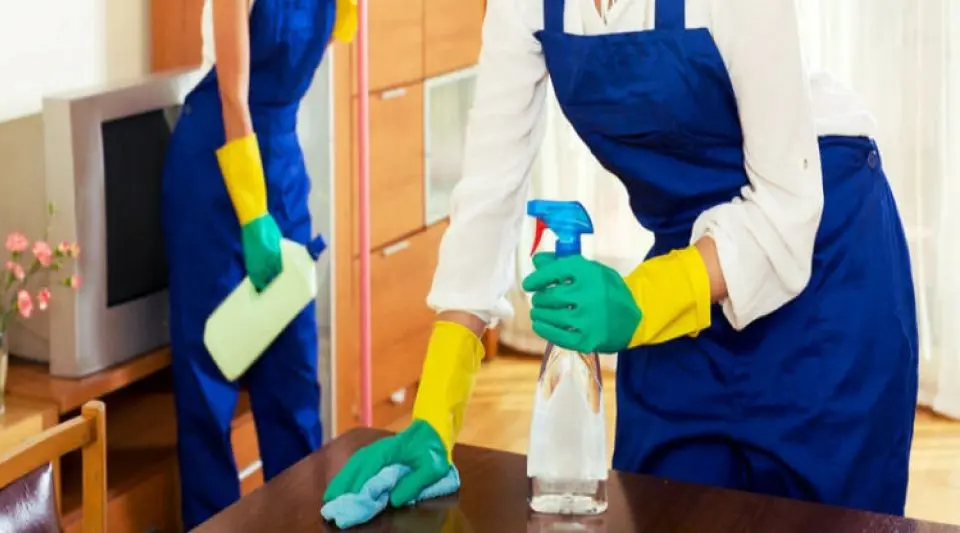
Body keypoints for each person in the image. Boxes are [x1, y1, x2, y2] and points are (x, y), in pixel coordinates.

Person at [324, 0, 918, 517]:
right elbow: (488, 191)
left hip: (824, 265)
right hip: (686, 268)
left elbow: (788, 205)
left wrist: (638, 301)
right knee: (660, 502)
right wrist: (434, 415)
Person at [161, 0, 354, 528]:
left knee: (293, 375)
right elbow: (232, 93)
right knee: (209, 376)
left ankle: (300, 522)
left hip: (282, 166)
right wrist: (251, 213)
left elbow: (338, 35)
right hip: (216, 171)